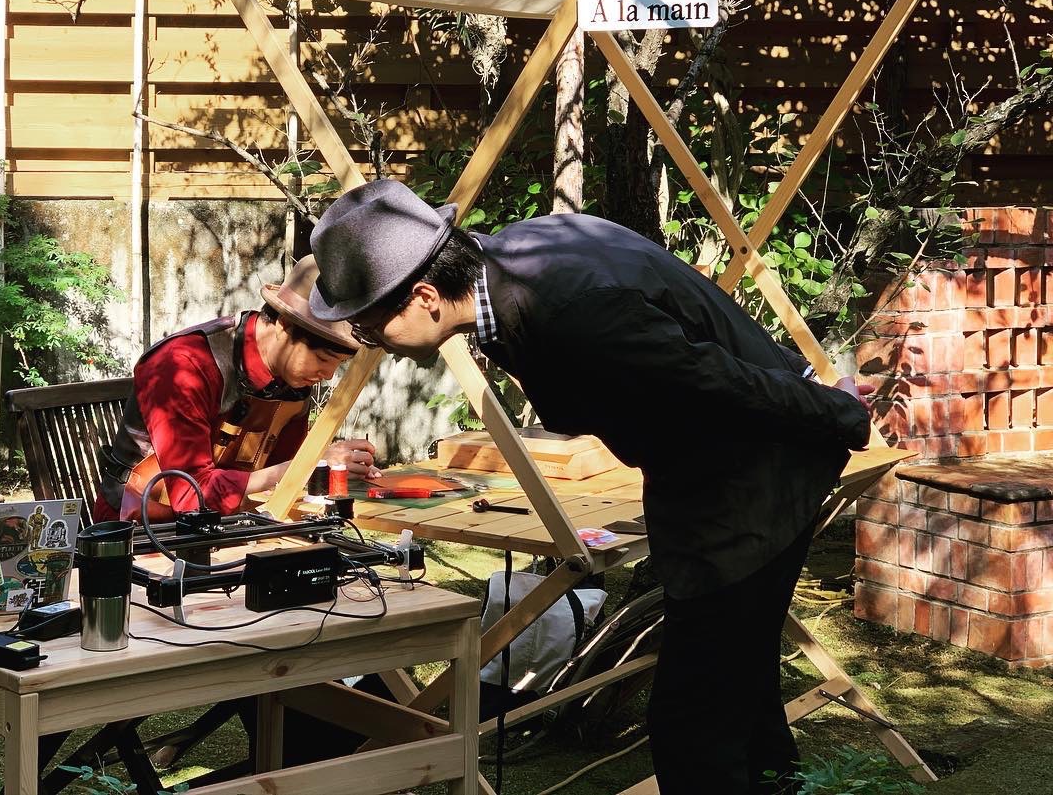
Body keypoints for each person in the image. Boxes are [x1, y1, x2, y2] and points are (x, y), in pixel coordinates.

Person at [307, 179, 873, 795]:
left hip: (750, 489)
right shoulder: (523, 252)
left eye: (369, 330)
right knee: (741, 686)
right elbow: (691, 327)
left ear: (424, 296)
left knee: (694, 723)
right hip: (725, 477)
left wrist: (837, 410)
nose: (377, 347)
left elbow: (718, 380)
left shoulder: (567, 307)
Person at [93, 255, 380, 522]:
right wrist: (309, 463)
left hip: (234, 523)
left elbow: (283, 473)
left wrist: (330, 469)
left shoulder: (292, 374)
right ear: (284, 326)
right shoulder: (184, 366)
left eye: (339, 364)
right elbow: (191, 495)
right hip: (142, 530)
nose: (327, 375)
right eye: (323, 359)